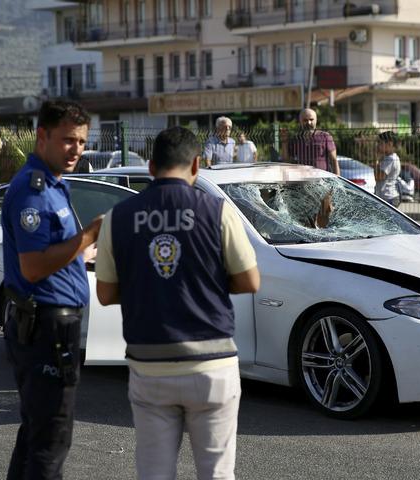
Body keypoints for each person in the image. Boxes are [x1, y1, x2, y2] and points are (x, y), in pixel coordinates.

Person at [96, 126, 260, 480]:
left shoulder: (118, 218)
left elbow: (105, 294)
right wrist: (204, 282)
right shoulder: (217, 210)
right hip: (212, 366)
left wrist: (146, 286)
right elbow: (250, 280)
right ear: (197, 165)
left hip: (150, 365)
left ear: (151, 166)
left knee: (155, 474)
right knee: (216, 473)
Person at [1, 100, 102, 480]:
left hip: (48, 324)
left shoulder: (54, 185)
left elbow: (55, 252)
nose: (76, 149)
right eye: (67, 140)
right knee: (50, 441)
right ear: (42, 136)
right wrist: (88, 235)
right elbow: (34, 264)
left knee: (35, 434)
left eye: (81, 141)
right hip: (46, 327)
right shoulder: (34, 190)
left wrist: (84, 250)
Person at [281, 108, 340, 175]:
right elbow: (286, 160)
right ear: (300, 121)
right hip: (302, 179)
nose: (309, 123)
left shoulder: (325, 136)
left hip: (321, 179)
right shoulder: (296, 139)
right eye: (305, 120)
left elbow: (334, 160)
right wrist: (284, 141)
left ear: (316, 120)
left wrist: (338, 178)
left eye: (311, 120)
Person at [374, 131, 401, 206]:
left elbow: (378, 177)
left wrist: (376, 160)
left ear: (389, 144)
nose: (378, 145)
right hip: (387, 198)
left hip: (388, 199)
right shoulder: (389, 158)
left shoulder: (390, 159)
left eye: (381, 143)